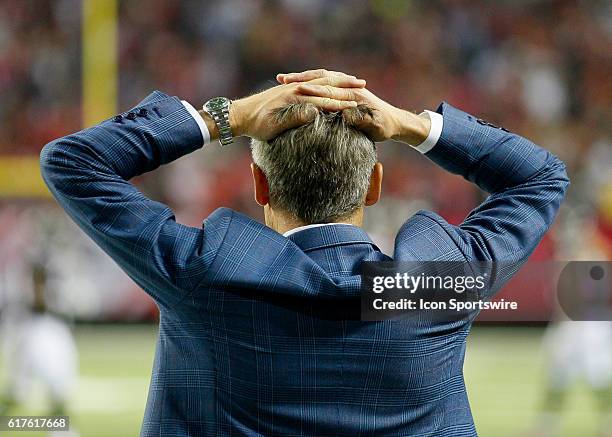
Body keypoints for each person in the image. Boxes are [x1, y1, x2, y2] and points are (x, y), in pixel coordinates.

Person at [40, 69, 569, 436]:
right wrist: (410, 124)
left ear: (259, 185)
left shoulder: (203, 274)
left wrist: (226, 116)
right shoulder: (435, 286)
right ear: (373, 186)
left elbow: (72, 162)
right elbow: (541, 176)